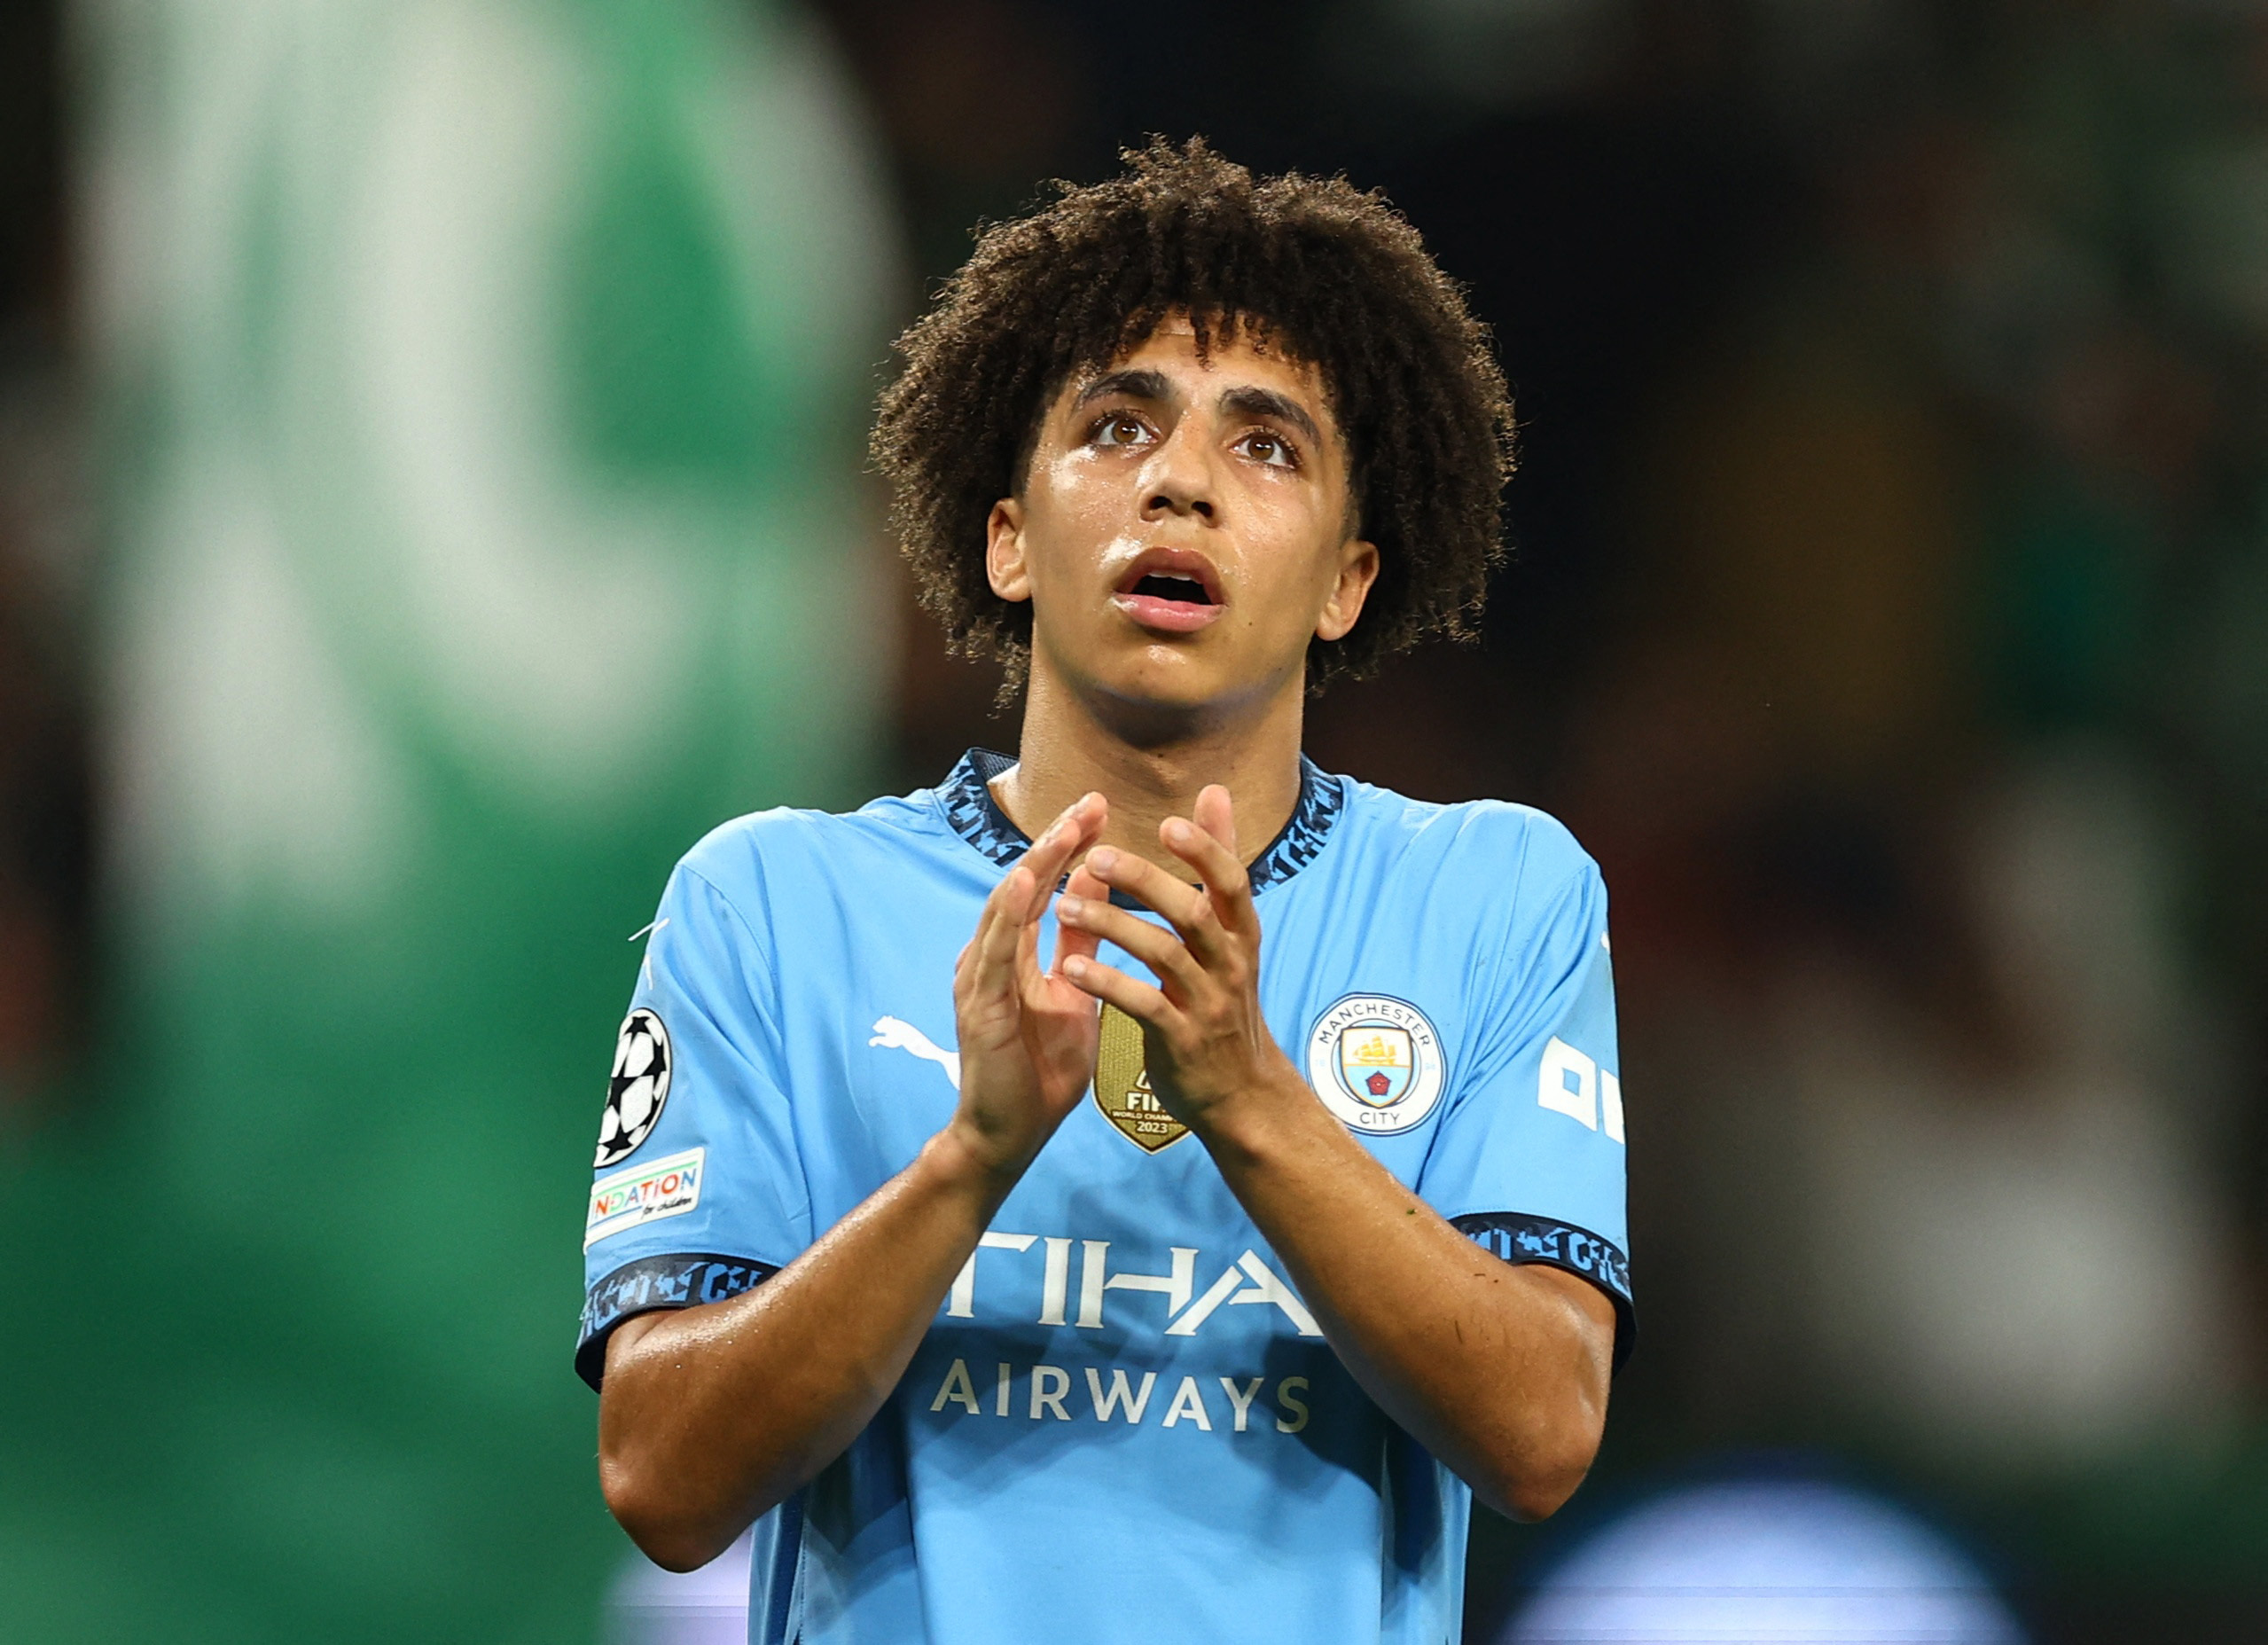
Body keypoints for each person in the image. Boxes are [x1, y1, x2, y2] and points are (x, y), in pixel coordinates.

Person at [577, 138, 1631, 1645]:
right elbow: (661, 1478)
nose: (1182, 482)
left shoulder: (1493, 896)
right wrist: (974, 1154)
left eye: (1266, 445)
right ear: (1007, 538)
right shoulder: (768, 906)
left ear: (1346, 579)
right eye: (1116, 427)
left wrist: (1248, 1094)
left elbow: (1541, 1434)